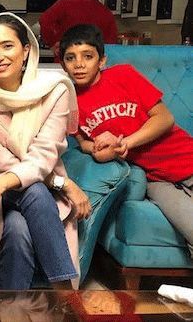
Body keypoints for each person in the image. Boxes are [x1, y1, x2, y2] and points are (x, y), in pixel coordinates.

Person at [0, 12, 91, 290]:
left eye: (7, 46)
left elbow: (44, 154)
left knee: (18, 229)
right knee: (35, 190)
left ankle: (11, 308)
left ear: (26, 50)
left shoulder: (55, 91)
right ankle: (65, 294)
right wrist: (61, 183)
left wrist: (10, 182)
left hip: (24, 181)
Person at [60, 24, 193, 256]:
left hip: (185, 158)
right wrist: (100, 149)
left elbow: (165, 118)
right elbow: (84, 144)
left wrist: (126, 143)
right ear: (63, 65)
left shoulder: (123, 75)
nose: (79, 64)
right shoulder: (69, 102)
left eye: (87, 56)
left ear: (102, 61)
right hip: (156, 181)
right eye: (71, 58)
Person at [39, 0, 118, 62]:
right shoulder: (106, 12)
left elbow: (44, 21)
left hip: (66, 61)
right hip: (91, 63)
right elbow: (110, 44)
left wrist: (53, 43)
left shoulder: (63, 4)